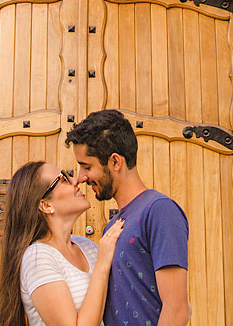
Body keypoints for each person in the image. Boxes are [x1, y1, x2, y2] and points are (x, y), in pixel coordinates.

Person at [66, 110, 190, 326]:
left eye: (87, 166)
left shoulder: (159, 211)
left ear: (115, 161)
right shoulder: (112, 227)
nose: (81, 177)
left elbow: (177, 310)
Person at [0, 160, 125, 326]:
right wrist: (102, 264)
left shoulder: (87, 246)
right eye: (63, 179)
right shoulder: (38, 258)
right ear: (46, 205)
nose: (76, 181)